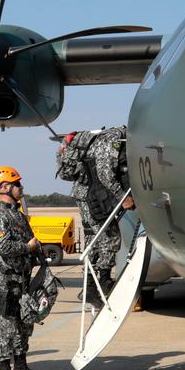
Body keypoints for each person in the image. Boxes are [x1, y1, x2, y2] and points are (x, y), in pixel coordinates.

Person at [0, 166, 42, 370]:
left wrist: (36, 250)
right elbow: (2, 246)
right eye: (17, 184)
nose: (21, 187)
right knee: (5, 328)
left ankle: (21, 368)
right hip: (7, 280)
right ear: (6, 187)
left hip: (21, 279)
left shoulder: (15, 213)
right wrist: (27, 247)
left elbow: (27, 238)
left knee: (22, 326)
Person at [62, 126, 132, 298]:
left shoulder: (105, 137)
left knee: (92, 240)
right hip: (92, 196)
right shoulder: (114, 139)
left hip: (85, 193)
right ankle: (104, 282)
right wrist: (124, 198)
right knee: (110, 236)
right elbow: (104, 174)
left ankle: (89, 287)